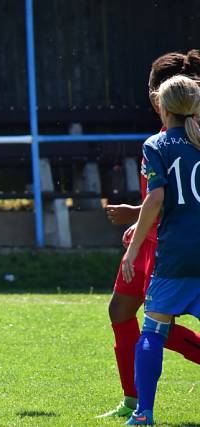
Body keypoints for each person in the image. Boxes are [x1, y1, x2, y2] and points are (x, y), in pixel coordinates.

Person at [98, 50, 200, 418]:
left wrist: (133, 214)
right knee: (120, 311)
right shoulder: (164, 136)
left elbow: (171, 200)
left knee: (159, 328)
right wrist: (136, 224)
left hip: (166, 247)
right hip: (145, 241)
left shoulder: (179, 138)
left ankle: (142, 409)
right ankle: (133, 400)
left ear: (160, 94)